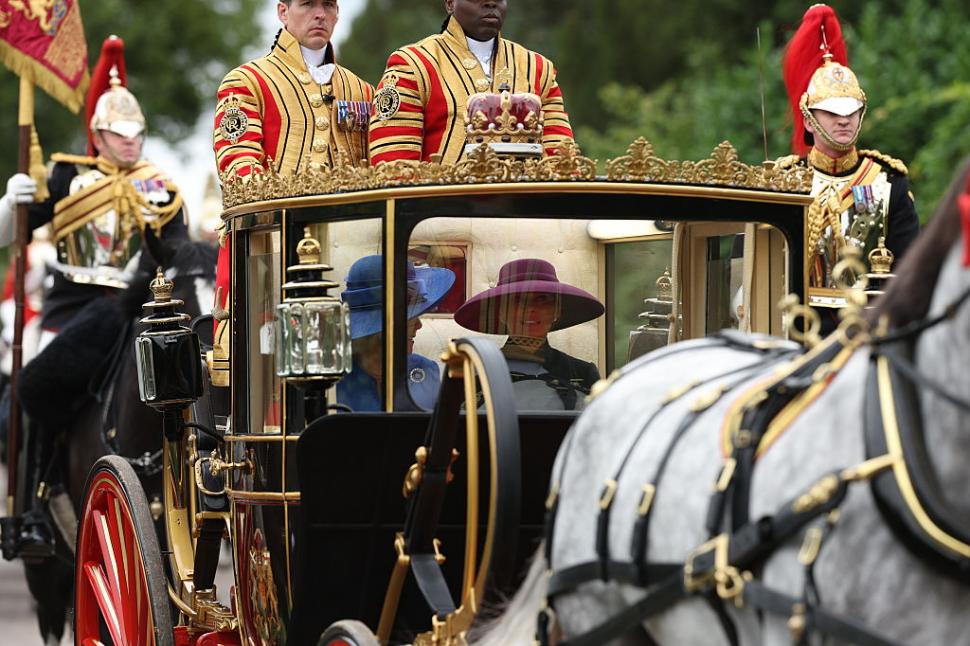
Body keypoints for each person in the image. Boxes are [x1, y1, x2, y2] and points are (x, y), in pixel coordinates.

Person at [0, 36, 189, 556]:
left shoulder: (162, 188)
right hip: (70, 311)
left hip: (135, 309)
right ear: (98, 135)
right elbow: (10, 235)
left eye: (137, 134)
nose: (130, 142)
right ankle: (35, 507)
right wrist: (9, 202)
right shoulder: (63, 176)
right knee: (35, 388)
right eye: (118, 133)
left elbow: (176, 252)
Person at [212, 0, 374, 384]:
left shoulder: (363, 90)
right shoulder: (247, 82)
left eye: (328, 6)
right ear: (283, 13)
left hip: (350, 252)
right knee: (262, 366)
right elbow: (238, 166)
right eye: (307, 4)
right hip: (267, 253)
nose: (319, 14)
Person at [782, 4, 919, 331]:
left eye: (851, 109)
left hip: (868, 330)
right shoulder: (783, 181)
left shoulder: (887, 181)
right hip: (794, 328)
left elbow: (911, 268)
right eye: (831, 111)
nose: (844, 119)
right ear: (809, 120)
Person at [368, 0, 574, 165]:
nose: (490, 3)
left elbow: (563, 161)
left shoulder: (537, 68)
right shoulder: (413, 65)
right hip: (442, 212)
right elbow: (395, 169)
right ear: (450, 3)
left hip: (524, 211)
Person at [454, 258, 604, 410]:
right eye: (518, 300)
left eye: (542, 299)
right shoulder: (472, 374)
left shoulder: (583, 373)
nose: (531, 309)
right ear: (502, 312)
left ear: (556, 310)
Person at [336, 255, 455, 411]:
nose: (419, 325)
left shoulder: (424, 369)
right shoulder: (335, 378)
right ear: (382, 330)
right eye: (412, 317)